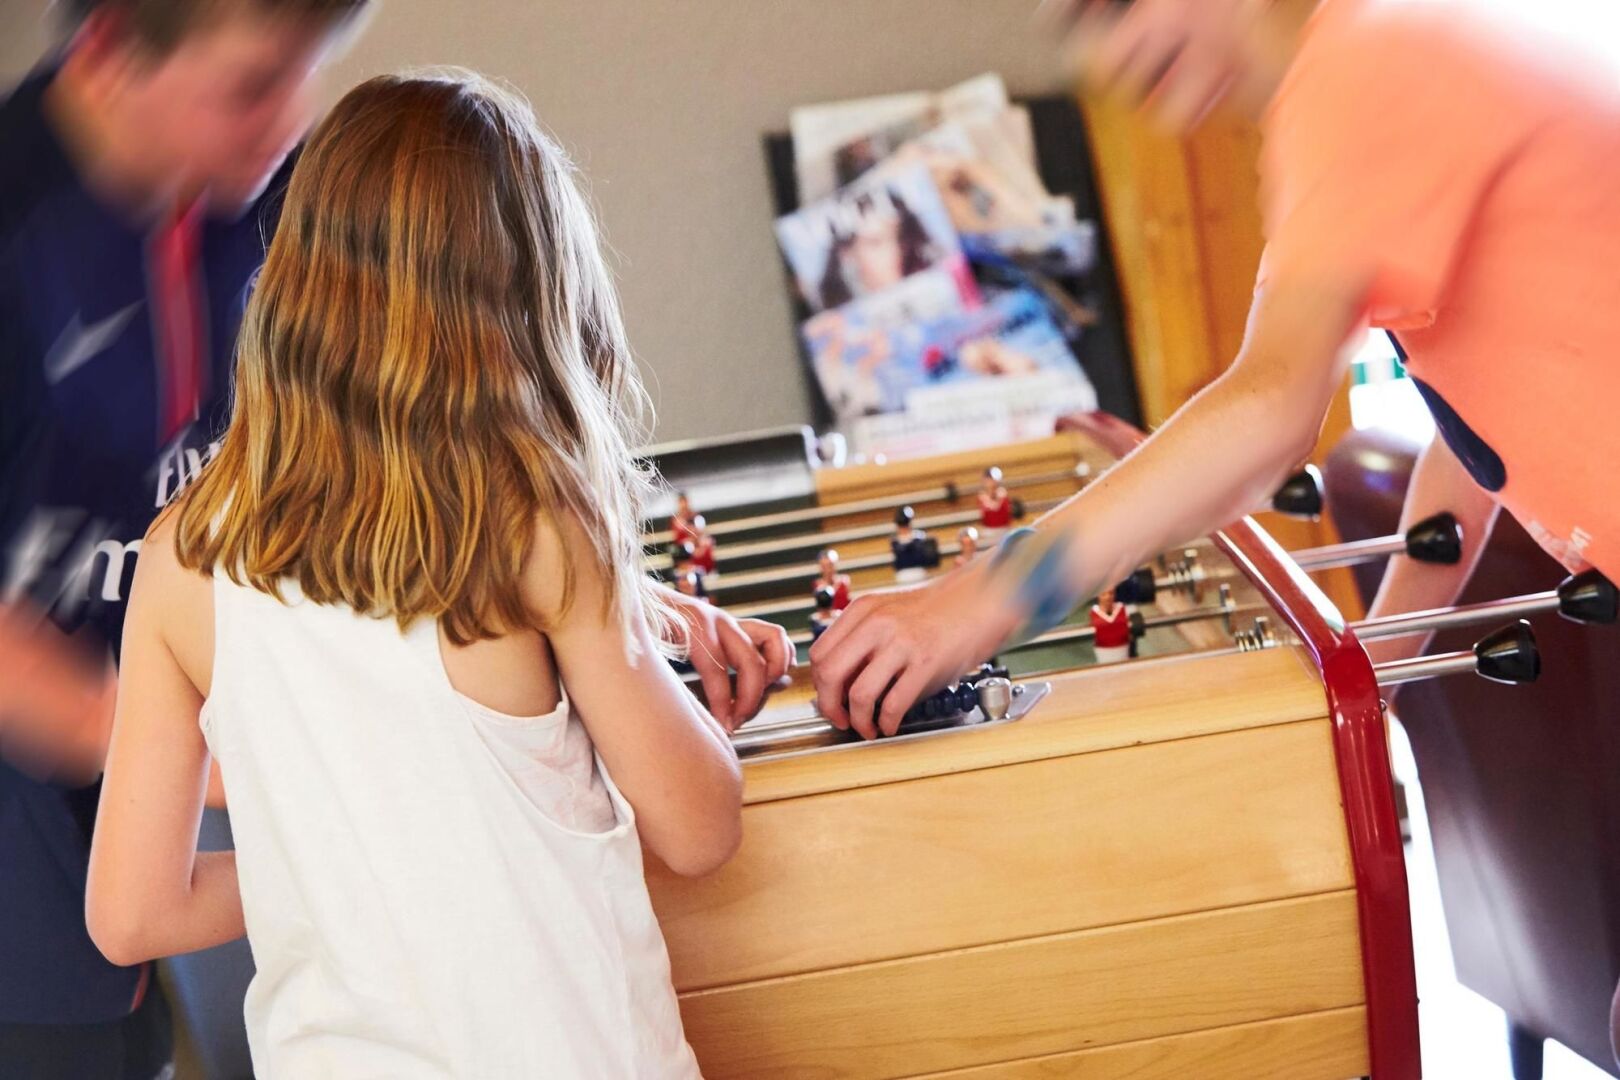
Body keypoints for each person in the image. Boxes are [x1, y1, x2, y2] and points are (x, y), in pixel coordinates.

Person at [85, 70, 786, 1076]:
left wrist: (334, 866)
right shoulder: (538, 521)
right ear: (528, 289)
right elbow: (699, 828)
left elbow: (132, 914)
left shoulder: (179, 557)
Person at [812, 0, 1620, 740]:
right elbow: (1476, 419)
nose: (1109, 57)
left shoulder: (1366, 62)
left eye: (1120, 8)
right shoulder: (1374, 53)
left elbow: (1269, 406)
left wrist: (978, 602)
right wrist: (1374, 674)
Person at [0, 0, 369, 1072]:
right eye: (254, 84)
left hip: (167, 764)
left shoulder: (272, 195)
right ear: (110, 48)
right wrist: (216, 759)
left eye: (310, 70)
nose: (291, 117)